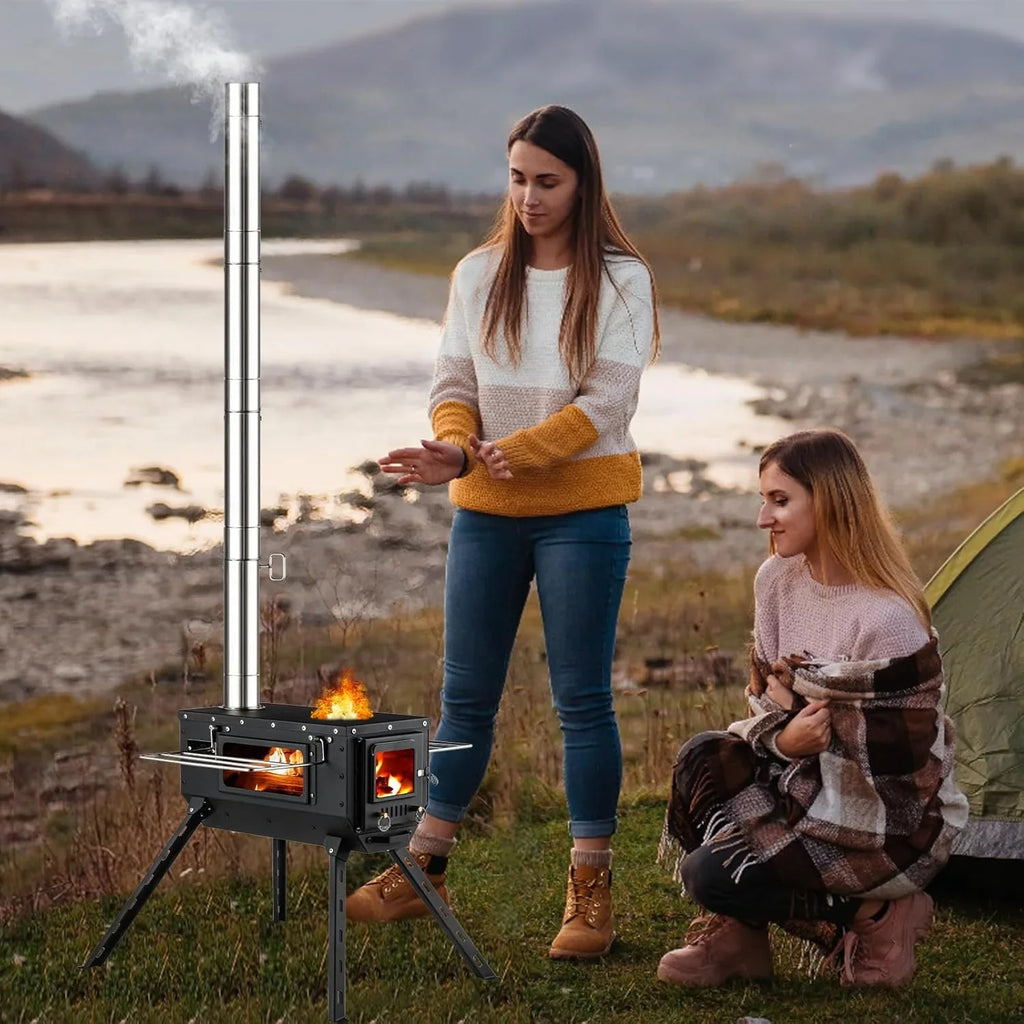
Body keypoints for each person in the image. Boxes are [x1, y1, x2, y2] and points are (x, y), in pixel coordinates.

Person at [347, 104, 660, 960]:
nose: (528, 196)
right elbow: (454, 377)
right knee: (464, 699)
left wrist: (515, 451)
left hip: (585, 512)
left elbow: (609, 402)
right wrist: (455, 450)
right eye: (517, 178)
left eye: (547, 181)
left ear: (583, 183)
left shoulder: (622, 278)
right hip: (487, 515)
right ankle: (424, 870)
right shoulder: (478, 273)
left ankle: (590, 889)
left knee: (582, 702)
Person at [657, 428, 968, 989]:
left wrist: (799, 729)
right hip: (798, 775)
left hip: (884, 822)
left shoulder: (887, 618)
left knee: (711, 872)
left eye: (779, 501)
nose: (762, 519)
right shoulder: (775, 579)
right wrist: (785, 740)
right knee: (702, 758)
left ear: (829, 500)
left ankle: (879, 917)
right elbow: (763, 701)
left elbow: (896, 770)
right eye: (763, 500)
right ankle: (741, 939)